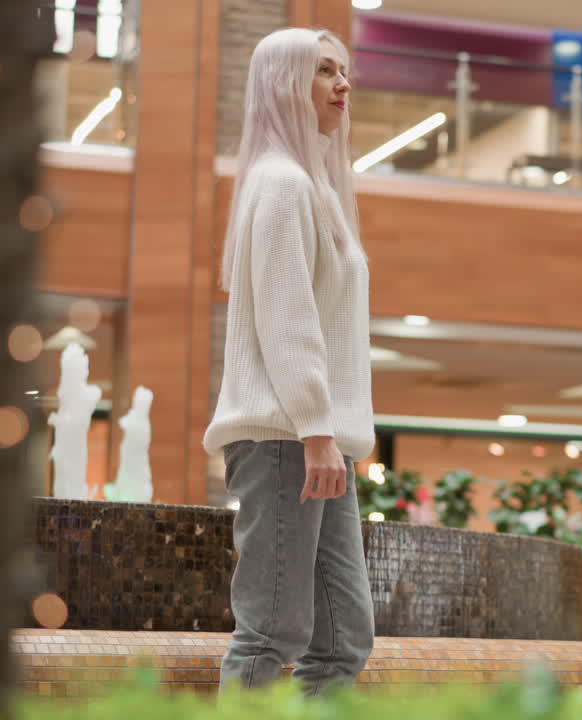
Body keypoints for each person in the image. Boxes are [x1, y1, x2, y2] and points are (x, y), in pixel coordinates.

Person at [202, 26, 375, 695]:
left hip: (314, 439)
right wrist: (316, 429)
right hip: (288, 439)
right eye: (325, 71)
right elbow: (288, 321)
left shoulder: (314, 187)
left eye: (344, 72)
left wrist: (328, 432)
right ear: (284, 83)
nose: (343, 86)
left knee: (341, 642)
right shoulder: (280, 184)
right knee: (272, 632)